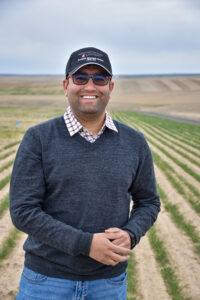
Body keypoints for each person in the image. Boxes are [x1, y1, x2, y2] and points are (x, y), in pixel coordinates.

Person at [10, 47, 160, 300]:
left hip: (108, 283)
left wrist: (131, 233)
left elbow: (148, 202)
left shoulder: (134, 142)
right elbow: (23, 211)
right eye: (81, 78)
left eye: (99, 79)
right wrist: (86, 244)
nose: (90, 86)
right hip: (45, 281)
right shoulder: (38, 139)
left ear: (110, 87)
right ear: (66, 84)